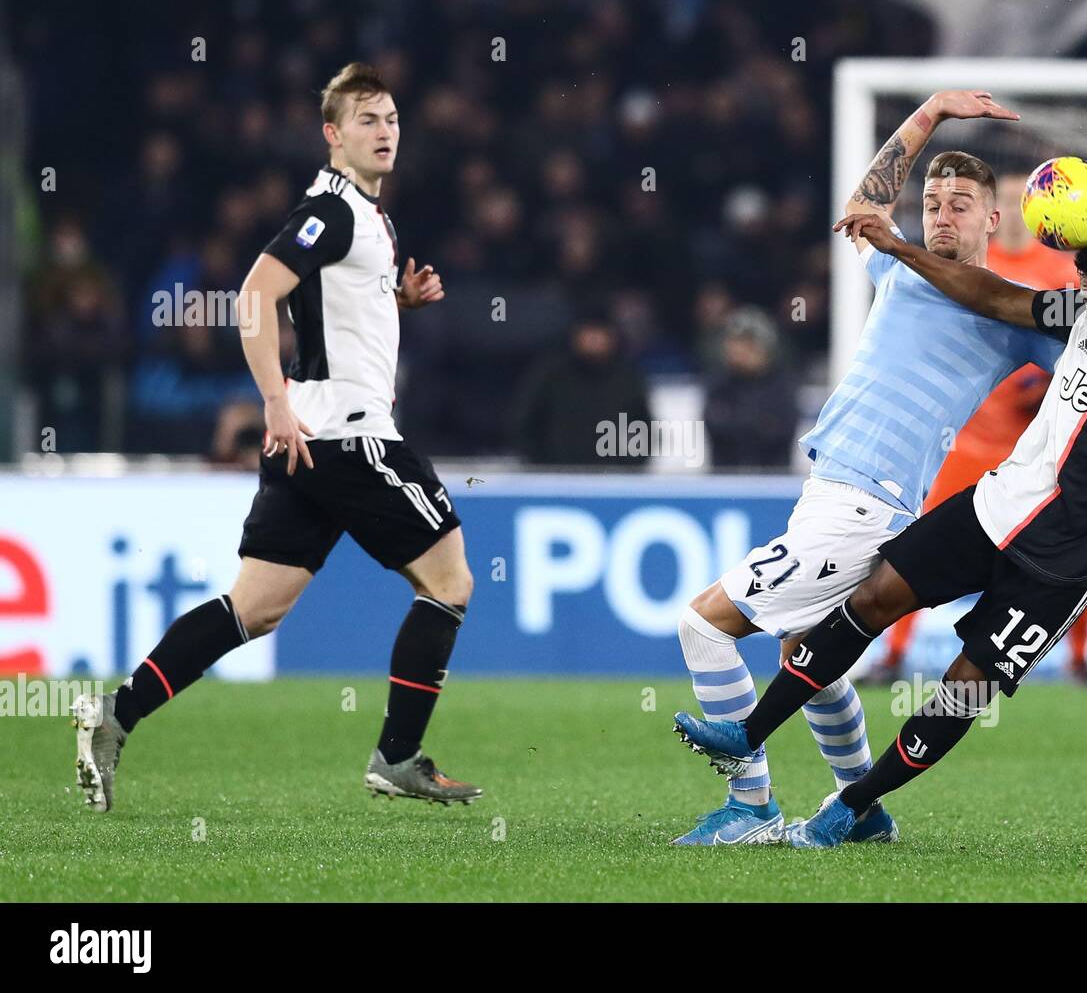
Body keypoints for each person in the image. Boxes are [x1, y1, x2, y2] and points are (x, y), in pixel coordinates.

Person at [674, 225, 1087, 848]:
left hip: (1062, 565)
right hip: (990, 508)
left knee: (962, 688)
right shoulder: (1085, 312)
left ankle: (855, 805)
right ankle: (750, 732)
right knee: (871, 598)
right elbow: (990, 294)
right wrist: (903, 250)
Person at [670, 90, 1087, 846]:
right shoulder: (903, 270)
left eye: (962, 203)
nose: (942, 213)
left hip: (868, 504)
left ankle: (751, 807)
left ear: (993, 221)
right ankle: (860, 807)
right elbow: (862, 206)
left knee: (702, 624)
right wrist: (931, 112)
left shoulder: (1010, 310)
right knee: (808, 657)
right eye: (933, 200)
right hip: (829, 495)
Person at [72, 63, 482, 811]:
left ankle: (115, 713)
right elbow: (256, 294)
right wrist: (272, 400)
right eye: (366, 120)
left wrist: (397, 300)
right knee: (451, 582)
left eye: (391, 118)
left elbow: (333, 306)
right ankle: (396, 756)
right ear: (332, 135)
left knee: (253, 608)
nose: (385, 130)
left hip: (310, 441)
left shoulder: (365, 214)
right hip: (348, 437)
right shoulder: (332, 210)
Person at [868, 174, 1087, 684]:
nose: (1020, 210)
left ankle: (1081, 660)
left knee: (1071, 552)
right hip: (969, 439)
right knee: (919, 547)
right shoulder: (979, 266)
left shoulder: (1065, 271)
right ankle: (893, 654)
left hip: (1042, 446)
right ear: (996, 212)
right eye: (1009, 199)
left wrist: (1048, 388)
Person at [511, 312, 652, 467]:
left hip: (611, 478)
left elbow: (644, 428)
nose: (593, 340)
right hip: (555, 476)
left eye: (599, 333)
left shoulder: (627, 379)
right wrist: (541, 463)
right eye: (587, 333)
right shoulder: (551, 375)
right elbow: (523, 423)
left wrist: (628, 466)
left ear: (612, 337)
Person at [703, 308, 798, 470]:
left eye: (746, 344)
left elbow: (778, 433)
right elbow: (716, 426)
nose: (737, 351)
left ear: (764, 348)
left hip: (773, 482)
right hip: (724, 481)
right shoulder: (719, 385)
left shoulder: (782, 387)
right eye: (733, 343)